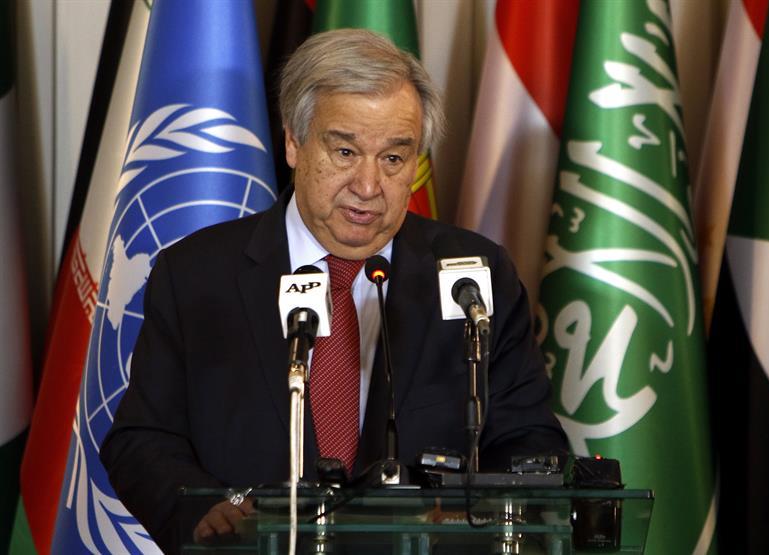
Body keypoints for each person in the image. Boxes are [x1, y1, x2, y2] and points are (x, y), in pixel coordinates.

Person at [101, 28, 566, 553]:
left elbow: (529, 440)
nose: (368, 187)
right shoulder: (197, 275)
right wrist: (213, 516)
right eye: (345, 151)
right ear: (294, 143)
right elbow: (143, 441)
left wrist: (467, 517)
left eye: (393, 159)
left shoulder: (474, 277)